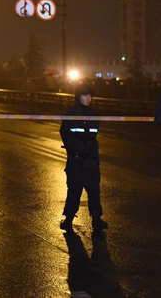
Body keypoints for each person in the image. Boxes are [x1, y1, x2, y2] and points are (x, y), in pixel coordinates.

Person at [59, 85, 108, 232]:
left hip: (91, 158)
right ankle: (68, 218)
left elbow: (94, 133)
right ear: (78, 97)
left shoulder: (94, 113)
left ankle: (96, 219)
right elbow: (64, 132)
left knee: (94, 189)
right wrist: (72, 147)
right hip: (76, 158)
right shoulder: (71, 113)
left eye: (90, 96)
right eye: (85, 95)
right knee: (74, 188)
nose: (88, 98)